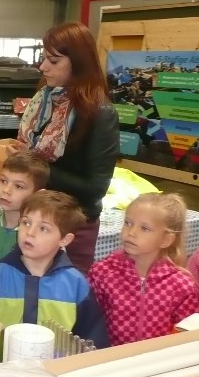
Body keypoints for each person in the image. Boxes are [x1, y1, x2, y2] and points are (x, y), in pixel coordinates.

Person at [8, 22, 119, 275]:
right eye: (44, 58)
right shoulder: (46, 101)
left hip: (72, 226)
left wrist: (35, 166)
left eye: (54, 61)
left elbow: (95, 188)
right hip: (35, 216)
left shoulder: (99, 113)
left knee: (62, 300)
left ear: (78, 63)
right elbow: (36, 152)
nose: (43, 67)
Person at [0, 191, 109, 356]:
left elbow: (92, 339)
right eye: (25, 222)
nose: (30, 232)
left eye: (43, 228)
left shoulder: (76, 284)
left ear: (64, 240)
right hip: (2, 372)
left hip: (56, 373)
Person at [88, 193, 199, 346]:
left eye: (144, 228)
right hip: (109, 360)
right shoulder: (102, 272)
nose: (131, 232)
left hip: (158, 363)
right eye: (128, 223)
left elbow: (185, 333)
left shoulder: (182, 285)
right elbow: (90, 323)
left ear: (166, 239)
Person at [0, 151, 49, 270]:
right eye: (3, 181)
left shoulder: (43, 237)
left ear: (37, 195)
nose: (6, 190)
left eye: (18, 186)